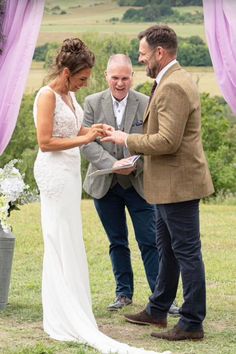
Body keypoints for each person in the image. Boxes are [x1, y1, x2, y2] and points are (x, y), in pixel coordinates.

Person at [33, 37, 170, 354]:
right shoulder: (46, 96)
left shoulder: (68, 95)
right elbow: (46, 142)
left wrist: (94, 131)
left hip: (73, 175)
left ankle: (76, 304)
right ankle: (61, 310)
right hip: (55, 173)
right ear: (67, 72)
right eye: (81, 79)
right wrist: (86, 138)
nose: (84, 85)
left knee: (72, 238)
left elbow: (73, 131)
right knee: (59, 238)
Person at [102, 25, 214, 341]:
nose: (141, 60)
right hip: (167, 184)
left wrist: (127, 140)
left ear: (159, 53)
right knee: (168, 249)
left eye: (143, 53)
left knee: (187, 252)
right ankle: (158, 308)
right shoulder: (168, 81)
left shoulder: (173, 86)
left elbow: (167, 141)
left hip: (179, 185)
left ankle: (192, 322)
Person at [81, 54, 179, 315]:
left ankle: (162, 299)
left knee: (150, 241)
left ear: (132, 77)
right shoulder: (91, 103)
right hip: (105, 184)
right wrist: (111, 164)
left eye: (125, 78)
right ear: (106, 76)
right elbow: (86, 142)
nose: (120, 83)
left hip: (139, 184)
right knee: (117, 241)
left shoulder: (146, 102)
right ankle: (123, 293)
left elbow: (154, 140)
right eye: (115, 78)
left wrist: (136, 163)